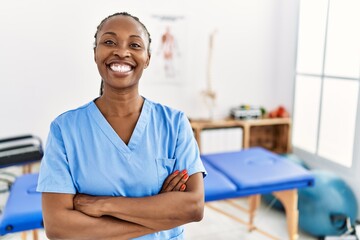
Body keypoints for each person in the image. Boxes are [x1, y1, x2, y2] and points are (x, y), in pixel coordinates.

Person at [37, 12, 206, 240]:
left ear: (147, 58)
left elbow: (193, 207)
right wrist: (164, 214)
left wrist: (103, 205)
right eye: (109, 42)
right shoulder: (65, 130)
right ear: (95, 53)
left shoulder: (174, 123)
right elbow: (59, 227)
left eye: (134, 45)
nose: (122, 52)